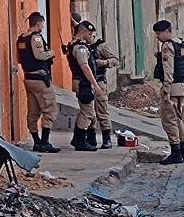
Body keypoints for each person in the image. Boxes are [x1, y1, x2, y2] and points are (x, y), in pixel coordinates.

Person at [16, 12, 61, 153]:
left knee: (33, 111)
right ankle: (45, 142)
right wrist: (52, 53)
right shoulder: (35, 38)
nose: (42, 27)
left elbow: (19, 59)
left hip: (28, 78)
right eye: (42, 24)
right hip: (40, 78)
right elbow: (39, 55)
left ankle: (36, 142)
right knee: (50, 108)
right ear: (38, 24)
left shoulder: (21, 39)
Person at [152, 20, 184, 165]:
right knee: (178, 119)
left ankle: (176, 154)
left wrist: (166, 90)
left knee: (169, 121)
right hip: (182, 85)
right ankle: (183, 152)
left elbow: (169, 70)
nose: (157, 37)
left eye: (158, 34)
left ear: (167, 31)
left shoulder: (168, 46)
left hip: (172, 87)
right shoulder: (180, 42)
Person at [66, 21, 106, 151]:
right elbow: (85, 67)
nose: (90, 37)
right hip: (83, 83)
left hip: (81, 82)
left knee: (86, 111)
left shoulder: (75, 45)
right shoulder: (80, 48)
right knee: (87, 112)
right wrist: (95, 84)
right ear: (82, 33)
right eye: (89, 34)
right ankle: (81, 141)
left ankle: (78, 139)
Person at [87, 32, 120, 149]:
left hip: (100, 82)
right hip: (86, 83)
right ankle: (91, 138)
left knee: (102, 110)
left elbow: (115, 60)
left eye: (89, 35)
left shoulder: (101, 46)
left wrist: (104, 62)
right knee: (88, 112)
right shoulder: (81, 46)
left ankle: (107, 138)